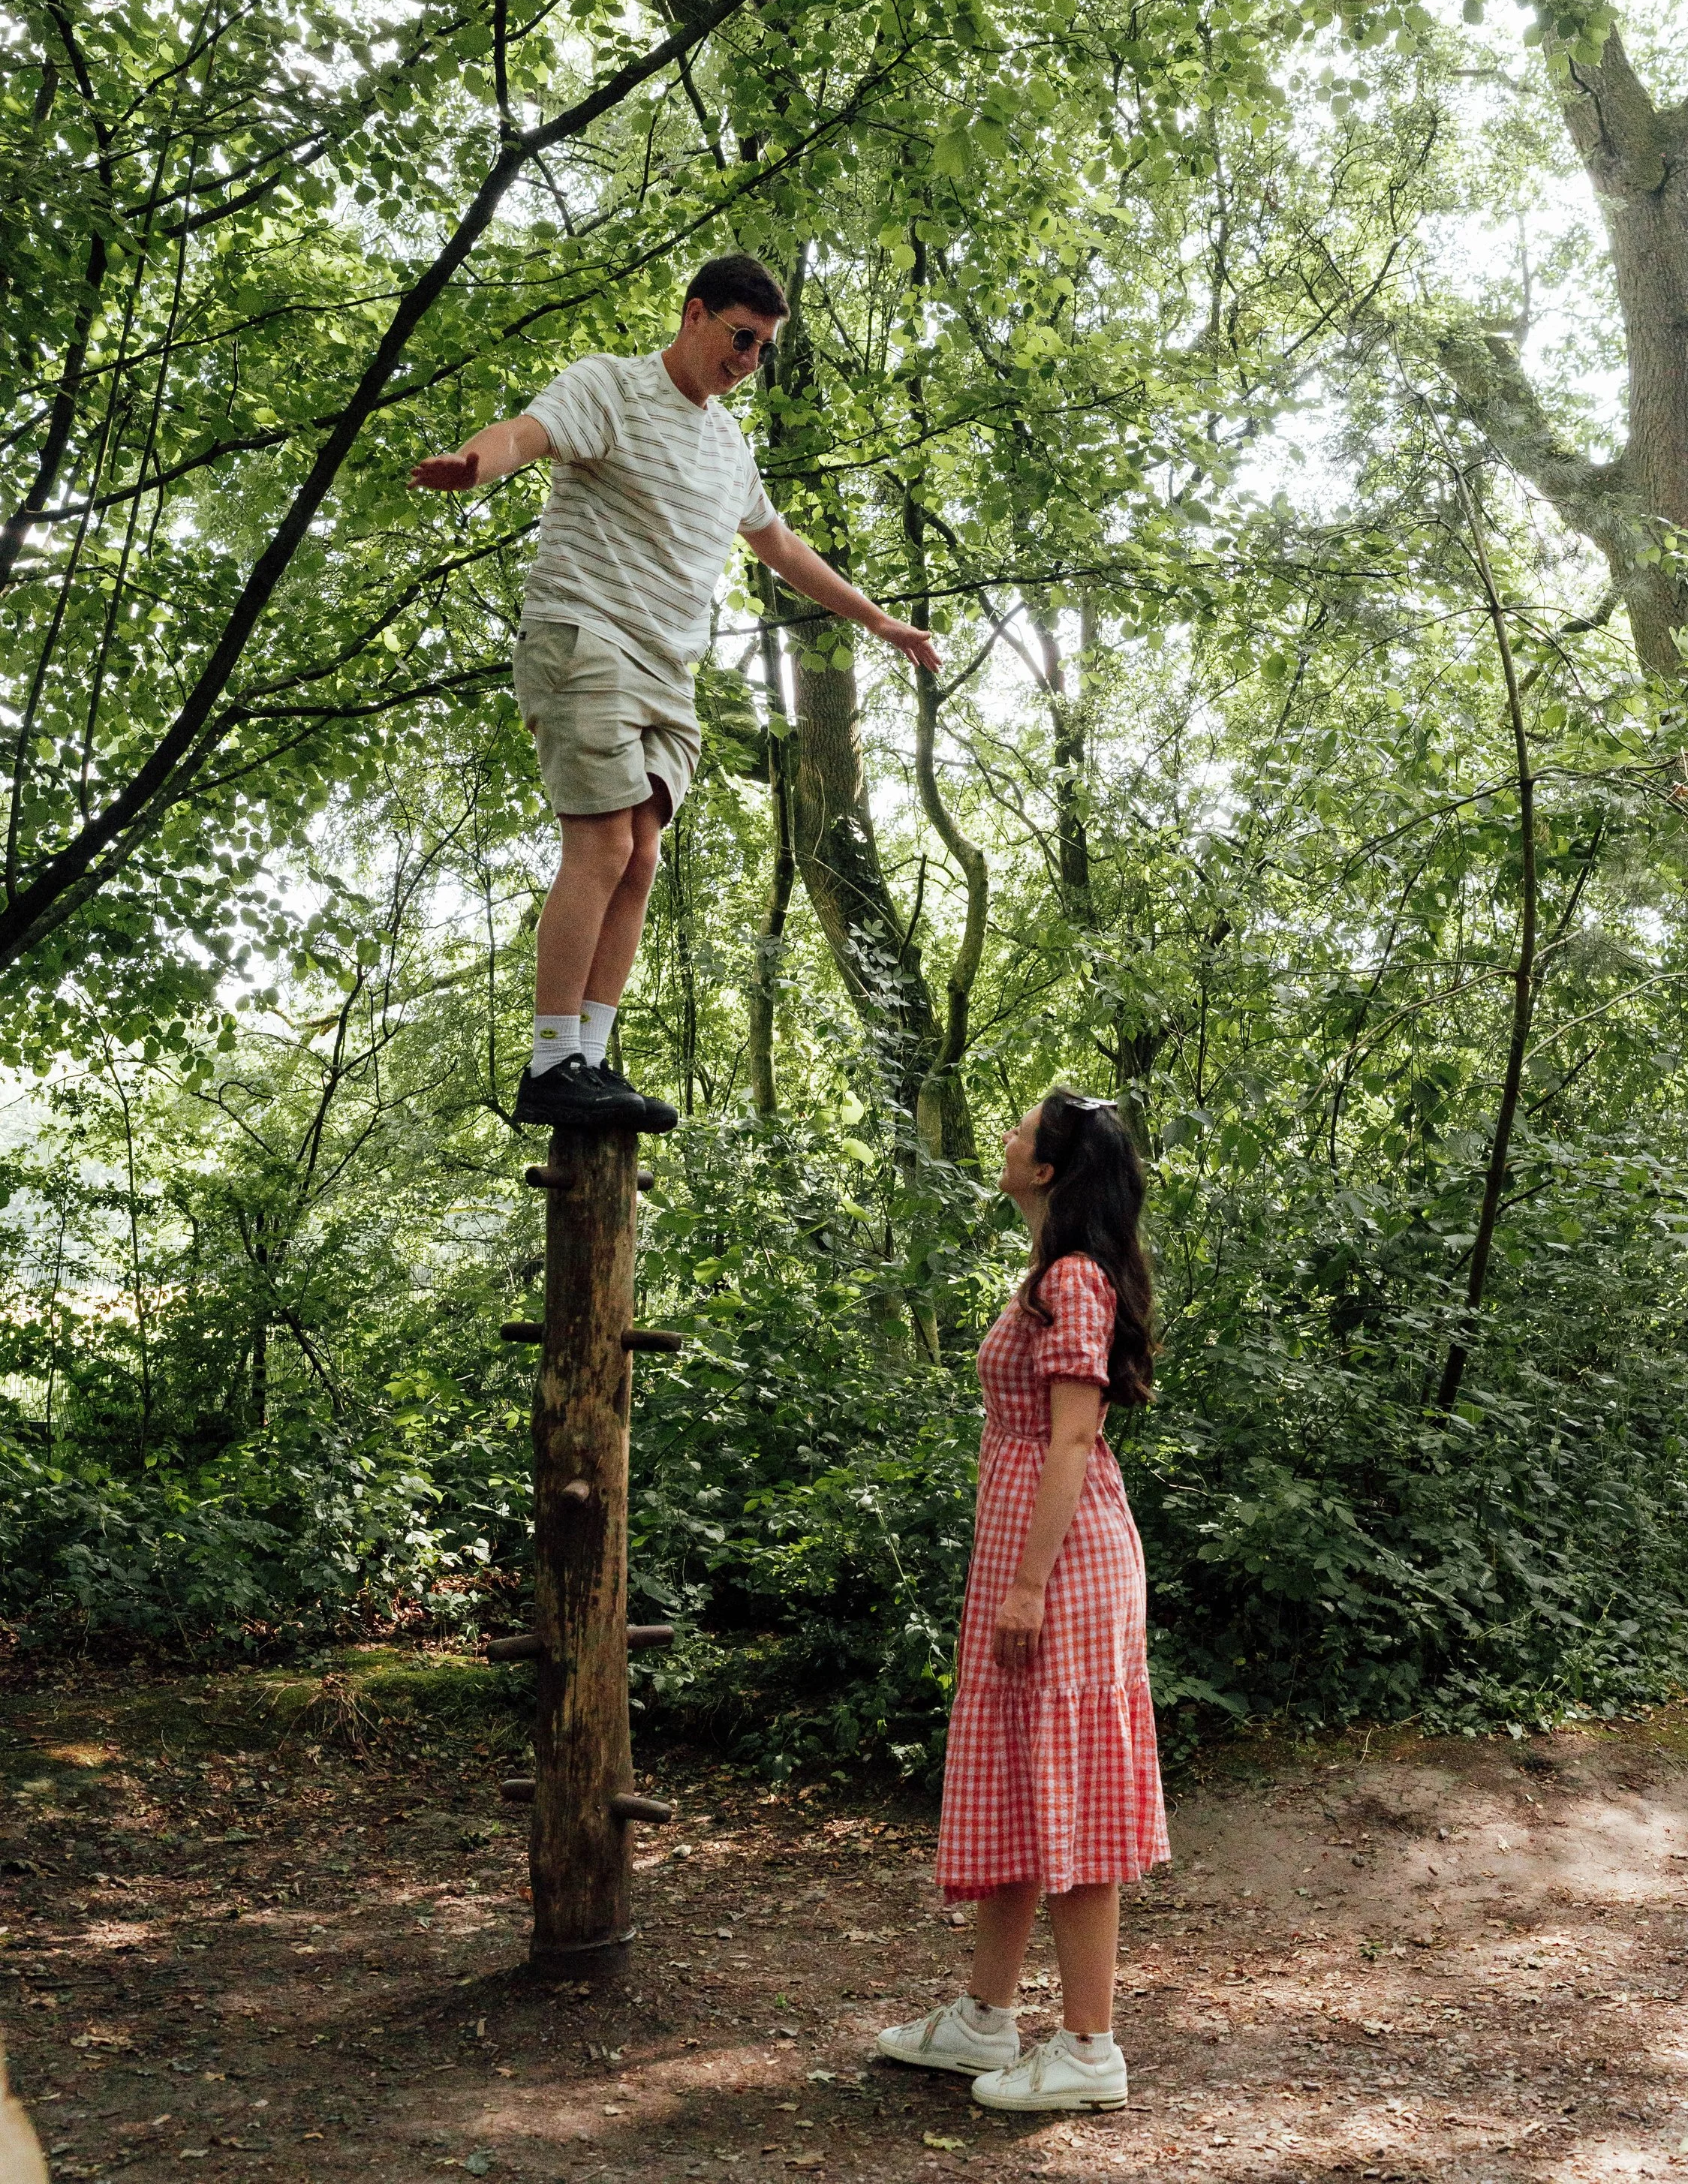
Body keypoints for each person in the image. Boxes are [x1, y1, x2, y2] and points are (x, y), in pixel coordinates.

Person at [411, 254, 940, 1132]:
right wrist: (477, 466)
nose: (748, 362)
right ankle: (550, 1065)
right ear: (695, 316)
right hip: (586, 638)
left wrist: (879, 621)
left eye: (764, 350)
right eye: (741, 338)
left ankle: (587, 1058)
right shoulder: (610, 388)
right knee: (602, 846)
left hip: (667, 671)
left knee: (642, 856)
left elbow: (782, 547)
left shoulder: (729, 445)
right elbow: (522, 433)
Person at [877, 1092, 1168, 2113]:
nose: (1003, 1136)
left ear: (1048, 1170)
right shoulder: (1045, 1275)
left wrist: (1031, 1586)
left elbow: (1075, 1442)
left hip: (1066, 1566)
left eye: (1020, 1130)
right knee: (1021, 1779)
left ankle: (1090, 2047)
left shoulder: (1077, 1281)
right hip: (1024, 1560)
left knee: (1074, 1793)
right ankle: (985, 2018)